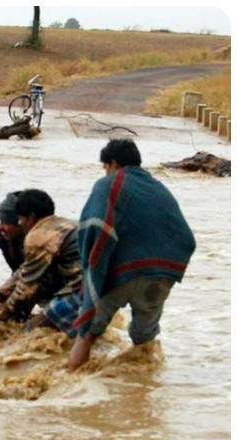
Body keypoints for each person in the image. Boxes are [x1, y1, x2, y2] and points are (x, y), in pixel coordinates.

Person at [68, 139, 196, 371]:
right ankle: (142, 395)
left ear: (113, 163)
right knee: (144, 339)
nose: (106, 172)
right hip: (163, 272)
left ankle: (67, 386)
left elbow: (94, 227)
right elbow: (183, 235)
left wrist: (92, 270)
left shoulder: (108, 184)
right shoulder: (158, 187)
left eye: (106, 167)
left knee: (87, 331)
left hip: (124, 273)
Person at [0, 189, 81, 329]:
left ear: (31, 216)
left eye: (21, 218)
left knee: (29, 332)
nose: (19, 223)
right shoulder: (65, 225)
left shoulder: (38, 236)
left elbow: (25, 286)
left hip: (84, 288)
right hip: (105, 284)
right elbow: (22, 273)